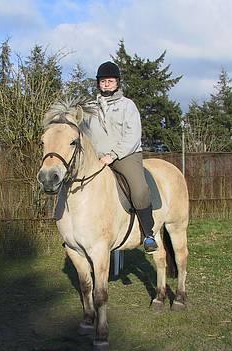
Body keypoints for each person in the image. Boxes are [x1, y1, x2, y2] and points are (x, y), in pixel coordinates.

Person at [84, 61, 158, 253]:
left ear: (117, 82)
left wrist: (113, 155)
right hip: (97, 158)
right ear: (98, 83)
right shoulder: (89, 107)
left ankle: (149, 234)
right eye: (103, 81)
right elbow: (83, 133)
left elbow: (132, 135)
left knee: (139, 189)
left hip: (125, 156)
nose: (106, 84)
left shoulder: (128, 106)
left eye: (110, 80)